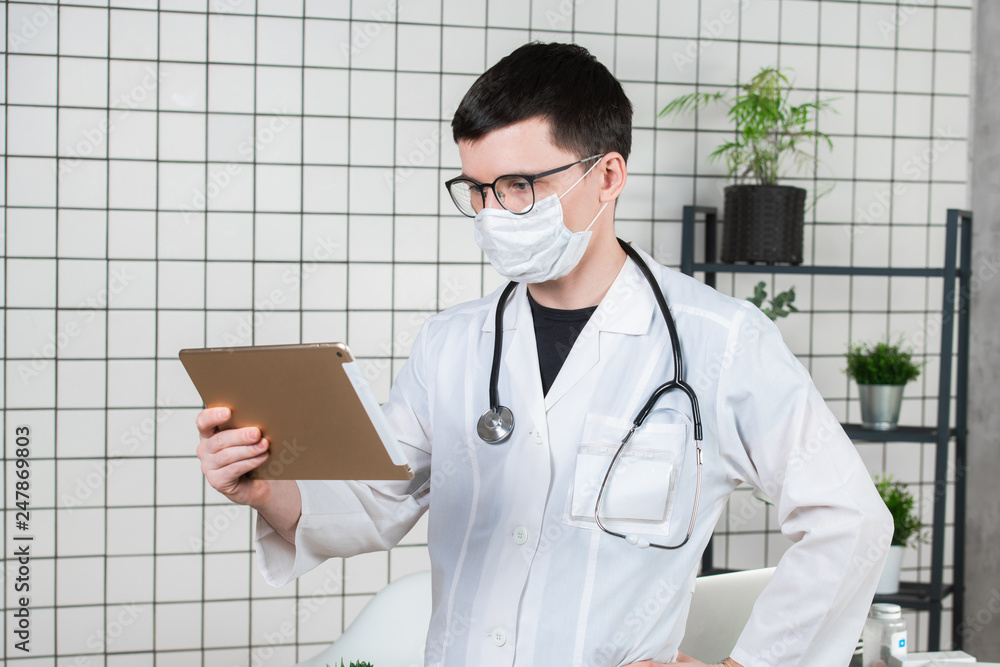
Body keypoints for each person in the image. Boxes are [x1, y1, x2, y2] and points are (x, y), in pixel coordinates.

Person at [196, 42, 893, 667]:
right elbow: (380, 500)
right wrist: (268, 488)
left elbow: (851, 519)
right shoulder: (452, 344)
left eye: (521, 186)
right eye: (478, 189)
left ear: (608, 175)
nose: (495, 212)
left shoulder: (721, 340)